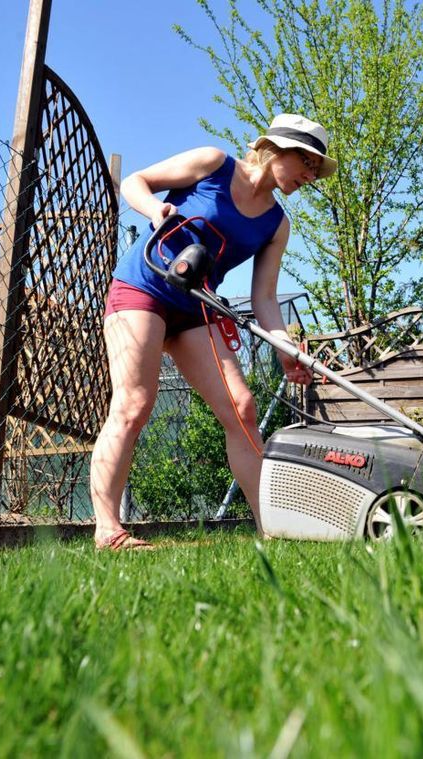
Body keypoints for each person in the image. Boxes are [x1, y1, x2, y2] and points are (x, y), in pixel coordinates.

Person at [90, 114, 335, 550]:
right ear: (276, 148)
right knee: (133, 405)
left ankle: (271, 532)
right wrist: (154, 210)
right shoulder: (214, 163)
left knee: (242, 408)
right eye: (308, 161)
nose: (311, 175)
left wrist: (285, 350)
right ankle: (108, 530)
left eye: (316, 169)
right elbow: (135, 181)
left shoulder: (277, 225)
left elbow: (264, 299)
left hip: (194, 305)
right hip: (143, 285)